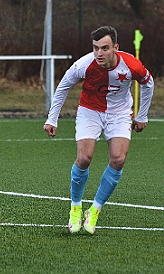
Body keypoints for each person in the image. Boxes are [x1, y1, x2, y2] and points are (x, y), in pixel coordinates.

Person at [43, 26, 154, 235]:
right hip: (90, 111)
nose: (99, 54)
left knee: (118, 159)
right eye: (95, 48)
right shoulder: (83, 64)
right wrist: (52, 118)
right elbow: (63, 86)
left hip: (119, 113)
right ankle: (75, 207)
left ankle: (94, 210)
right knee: (84, 158)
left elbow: (149, 83)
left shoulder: (131, 65)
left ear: (116, 48)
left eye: (104, 48)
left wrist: (142, 115)